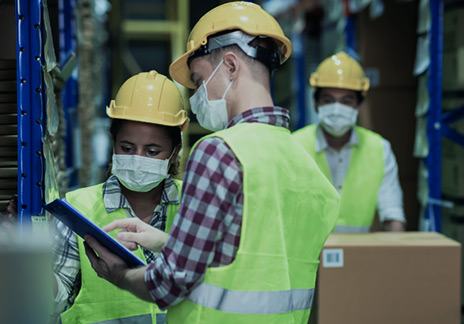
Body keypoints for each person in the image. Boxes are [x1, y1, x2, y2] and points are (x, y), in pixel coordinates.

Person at [82, 2, 340, 324]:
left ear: (230, 66)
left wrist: (118, 272)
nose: (195, 97)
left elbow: (169, 284)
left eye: (198, 80)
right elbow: (253, 259)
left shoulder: (219, 151)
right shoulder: (307, 164)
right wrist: (168, 242)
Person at [52, 70, 189, 324]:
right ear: (113, 144)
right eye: (127, 148)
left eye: (152, 151)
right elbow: (52, 302)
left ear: (174, 151)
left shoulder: (196, 204)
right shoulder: (77, 210)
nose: (137, 159)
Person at [293, 51, 406, 233]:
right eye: (328, 100)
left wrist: (396, 256)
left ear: (359, 106)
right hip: (306, 259)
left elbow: (393, 217)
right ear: (316, 104)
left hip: (358, 257)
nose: (337, 109)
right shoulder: (294, 146)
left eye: (346, 101)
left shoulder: (379, 149)